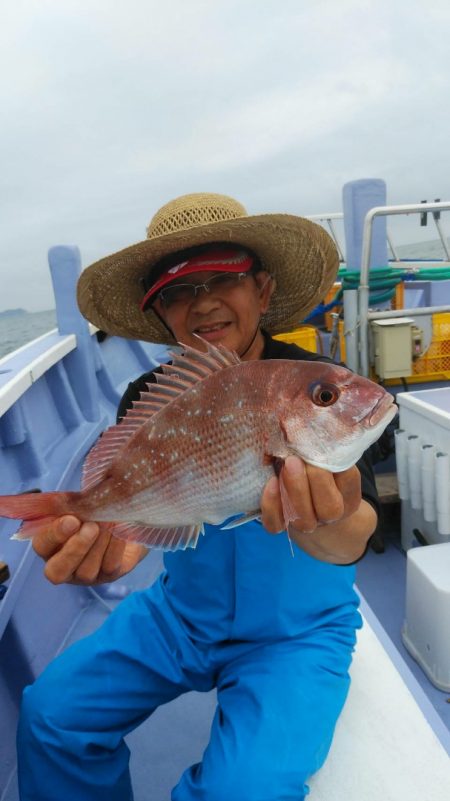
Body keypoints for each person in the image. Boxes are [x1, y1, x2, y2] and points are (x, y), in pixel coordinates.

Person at [17, 192, 379, 801]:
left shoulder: (314, 385)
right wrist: (111, 541)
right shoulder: (151, 393)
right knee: (52, 716)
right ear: (161, 313)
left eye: (223, 278)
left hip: (295, 631)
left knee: (245, 790)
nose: (203, 301)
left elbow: (356, 532)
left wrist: (324, 521)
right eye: (179, 290)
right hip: (183, 615)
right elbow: (142, 526)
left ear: (262, 291)